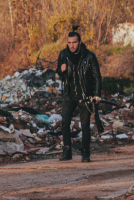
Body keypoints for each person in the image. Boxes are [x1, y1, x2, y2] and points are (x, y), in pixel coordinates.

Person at [55, 31, 102, 162]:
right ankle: (66, 152)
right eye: (69, 43)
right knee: (65, 122)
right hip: (69, 94)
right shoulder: (63, 55)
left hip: (85, 95)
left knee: (85, 125)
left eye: (74, 42)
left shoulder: (89, 56)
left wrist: (97, 95)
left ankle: (86, 153)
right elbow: (58, 72)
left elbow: (97, 76)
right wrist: (61, 70)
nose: (72, 45)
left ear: (80, 42)